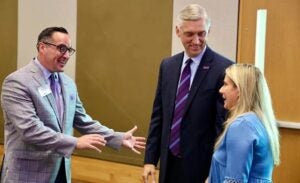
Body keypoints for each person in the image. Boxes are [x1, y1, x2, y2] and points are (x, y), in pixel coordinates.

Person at [0, 26, 146, 183]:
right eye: (62, 49)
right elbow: (30, 130)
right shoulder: (17, 82)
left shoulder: (68, 83)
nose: (67, 55)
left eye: (69, 50)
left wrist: (116, 137)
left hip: (61, 173)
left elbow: (82, 120)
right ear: (42, 47)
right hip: (27, 175)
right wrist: (76, 142)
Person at [142, 4, 233, 183]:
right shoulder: (167, 66)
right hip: (169, 165)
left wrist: (216, 171)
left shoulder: (224, 68)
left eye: (202, 33)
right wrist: (150, 160)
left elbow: (222, 127)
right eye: (190, 34)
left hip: (203, 169)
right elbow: (159, 116)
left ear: (209, 30)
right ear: (178, 31)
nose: (197, 40)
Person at [207, 64, 280, 182]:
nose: (221, 90)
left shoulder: (242, 125)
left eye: (225, 84)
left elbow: (235, 180)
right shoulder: (258, 121)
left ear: (239, 90)